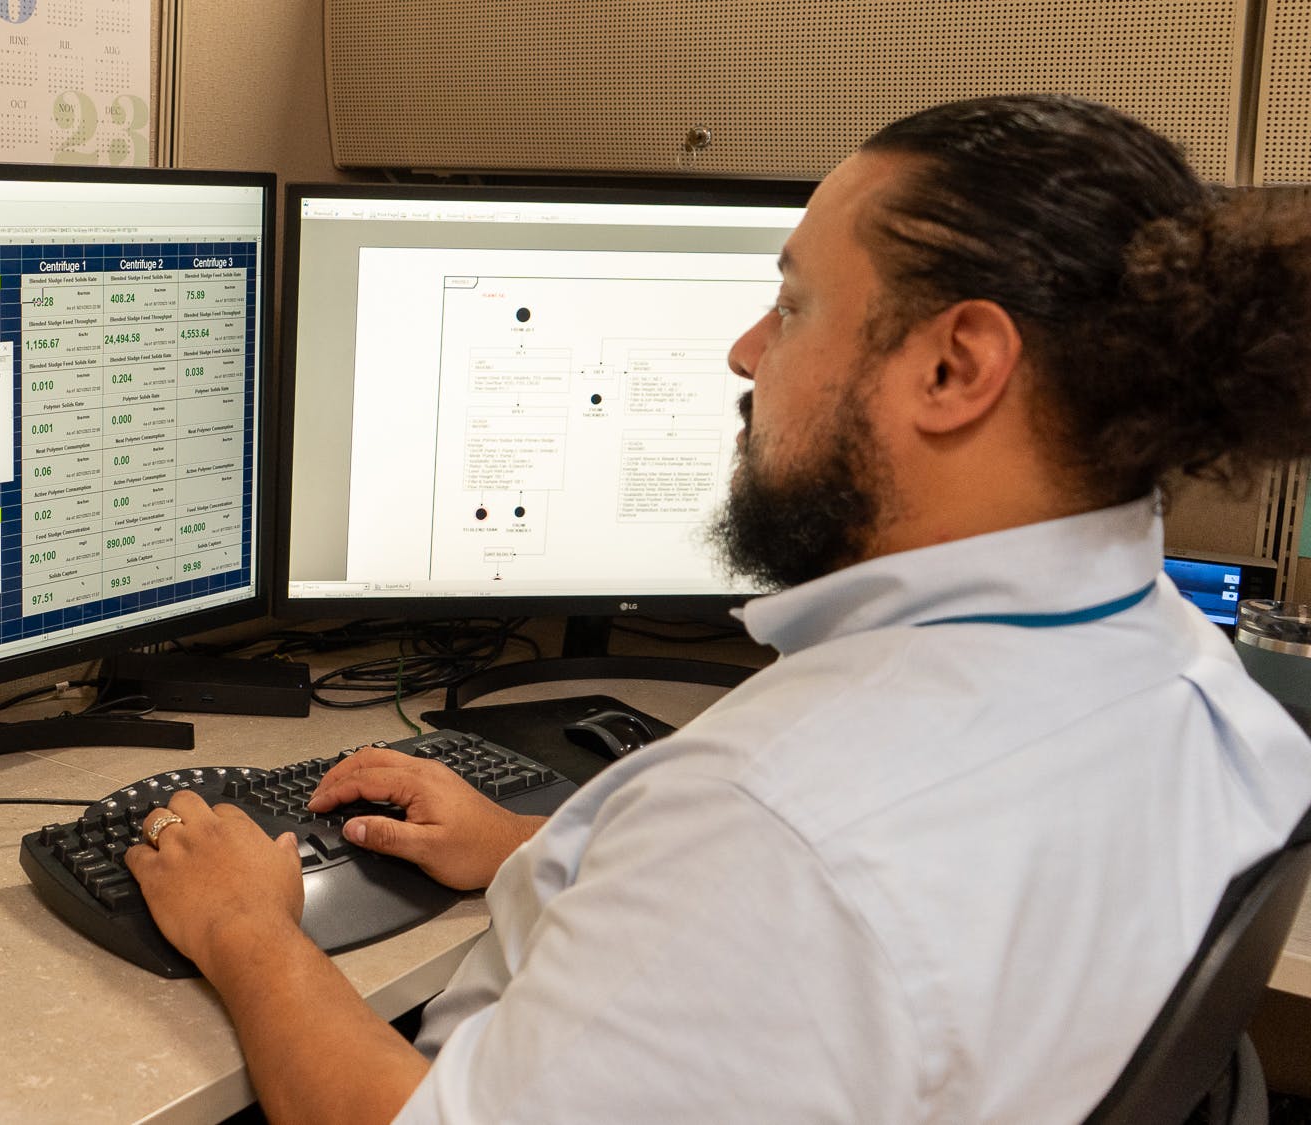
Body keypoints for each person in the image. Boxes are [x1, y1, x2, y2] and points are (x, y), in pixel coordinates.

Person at [125, 95, 1311, 1123]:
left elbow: (797, 892)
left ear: (954, 368)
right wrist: (556, 857)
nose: (745, 353)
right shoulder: (1199, 690)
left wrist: (246, 928)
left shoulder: (773, 830)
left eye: (792, 306)